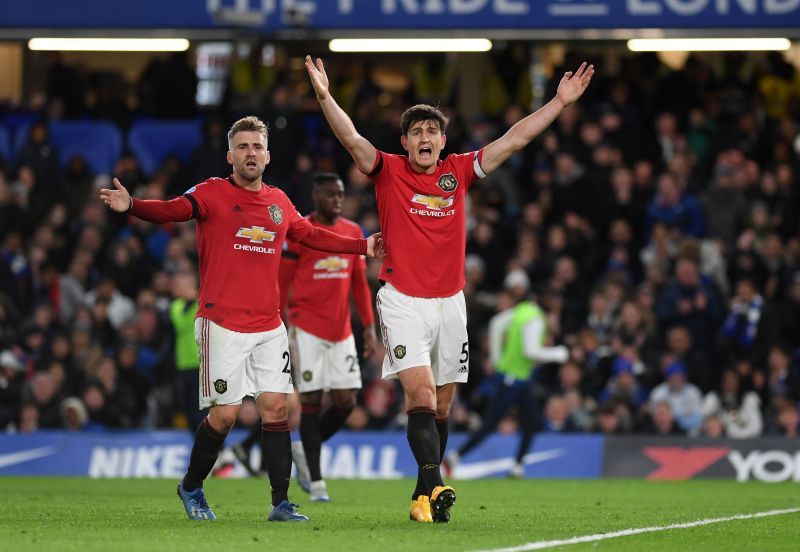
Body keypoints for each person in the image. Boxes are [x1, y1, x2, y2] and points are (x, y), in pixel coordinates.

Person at [306, 54, 593, 523]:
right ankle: (437, 486)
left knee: (441, 405)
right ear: (405, 142)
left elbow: (514, 139)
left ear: (443, 141)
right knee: (418, 398)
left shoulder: (458, 171)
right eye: (415, 132)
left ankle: (422, 498)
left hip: (450, 303)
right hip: (402, 299)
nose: (424, 138)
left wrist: (559, 103)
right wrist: (325, 95)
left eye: (431, 132)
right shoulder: (388, 170)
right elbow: (352, 139)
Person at [99, 115, 384, 523]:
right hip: (221, 323)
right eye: (243, 146)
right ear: (230, 154)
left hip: (269, 325)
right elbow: (174, 210)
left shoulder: (279, 202)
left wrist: (361, 246)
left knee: (276, 408)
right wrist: (134, 206)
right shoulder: (212, 193)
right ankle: (192, 485)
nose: (251, 153)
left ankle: (280, 503)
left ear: (267, 155)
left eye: (257, 146)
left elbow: (310, 235)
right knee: (226, 414)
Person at [276, 172, 378, 502]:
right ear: (316, 197)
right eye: (331, 194)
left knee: (346, 400)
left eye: (340, 194)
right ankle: (317, 483)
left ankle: (306, 449)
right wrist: (279, 324)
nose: (337, 199)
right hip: (306, 326)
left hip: (341, 330)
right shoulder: (300, 233)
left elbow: (359, 284)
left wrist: (368, 323)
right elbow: (283, 283)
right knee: (311, 399)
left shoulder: (352, 232)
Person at [444, 289, 569, 479]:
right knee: (494, 424)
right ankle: (455, 457)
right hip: (513, 380)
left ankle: (517, 466)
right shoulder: (536, 319)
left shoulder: (523, 310)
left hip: (517, 379)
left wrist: (495, 359)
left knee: (530, 422)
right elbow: (531, 351)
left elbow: (496, 323)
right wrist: (558, 353)